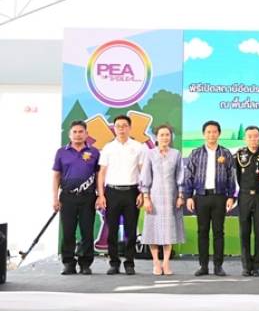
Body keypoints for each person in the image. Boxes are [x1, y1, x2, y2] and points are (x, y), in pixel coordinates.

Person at [184, 120, 236, 276]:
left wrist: (231, 196)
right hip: (201, 197)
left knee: (219, 232)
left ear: (219, 134)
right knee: (202, 231)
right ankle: (203, 266)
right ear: (203, 134)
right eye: (208, 132)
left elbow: (231, 176)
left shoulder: (225, 153)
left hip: (220, 197)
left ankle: (218, 266)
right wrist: (189, 196)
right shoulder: (196, 153)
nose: (211, 135)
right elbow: (188, 175)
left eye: (214, 132)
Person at [96, 115, 145, 275]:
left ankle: (129, 263)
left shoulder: (138, 147)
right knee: (112, 230)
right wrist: (101, 195)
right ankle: (114, 263)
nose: (121, 129)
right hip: (112, 192)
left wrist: (142, 193)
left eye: (124, 126)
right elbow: (102, 173)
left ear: (130, 128)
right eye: (118, 126)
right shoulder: (108, 148)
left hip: (132, 192)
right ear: (114, 128)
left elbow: (143, 172)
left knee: (131, 230)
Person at [52, 120, 100, 275]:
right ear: (69, 134)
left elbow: (99, 176)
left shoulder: (94, 152)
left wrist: (100, 196)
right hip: (67, 197)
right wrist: (54, 198)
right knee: (68, 232)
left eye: (81, 132)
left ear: (86, 134)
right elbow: (56, 176)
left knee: (87, 232)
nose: (78, 135)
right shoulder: (61, 152)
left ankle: (85, 264)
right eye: (75, 132)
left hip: (88, 198)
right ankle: (68, 263)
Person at [139, 124, 185, 276]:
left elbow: (180, 175)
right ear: (156, 137)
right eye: (162, 135)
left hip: (171, 197)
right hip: (154, 197)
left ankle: (166, 262)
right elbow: (145, 176)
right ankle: (156, 263)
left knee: (168, 231)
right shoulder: (150, 154)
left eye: (167, 135)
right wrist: (146, 198)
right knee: (153, 229)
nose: (165, 137)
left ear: (171, 137)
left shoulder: (176, 154)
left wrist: (180, 196)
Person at [233, 125, 259, 277]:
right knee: (244, 232)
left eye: (256, 136)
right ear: (245, 138)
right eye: (250, 136)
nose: (253, 139)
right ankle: (246, 266)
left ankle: (258, 266)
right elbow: (235, 176)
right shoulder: (239, 154)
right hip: (244, 196)